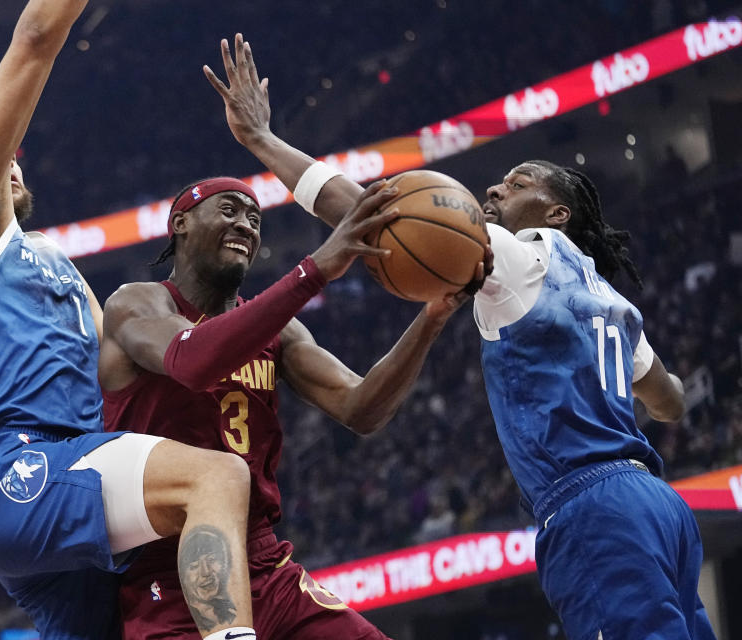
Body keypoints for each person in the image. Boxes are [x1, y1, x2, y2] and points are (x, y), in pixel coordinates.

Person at [204, 33, 717, 640]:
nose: (496, 190)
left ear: (558, 216)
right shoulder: (612, 302)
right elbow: (672, 401)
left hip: (593, 508)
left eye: (520, 181)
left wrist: (262, 140)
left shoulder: (525, 254)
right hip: (662, 507)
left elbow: (367, 212)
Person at [0, 4, 260, 639]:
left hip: (75, 469)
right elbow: (36, 38)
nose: (3, 155)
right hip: (16, 467)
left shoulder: (53, 260)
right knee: (216, 476)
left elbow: (127, 373)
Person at [98, 169, 486, 637]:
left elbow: (361, 408)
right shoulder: (135, 304)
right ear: (180, 223)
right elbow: (191, 361)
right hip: (170, 568)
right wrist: (316, 268)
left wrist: (432, 318)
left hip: (262, 561)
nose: (245, 224)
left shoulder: (278, 332)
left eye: (255, 218)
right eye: (228, 210)